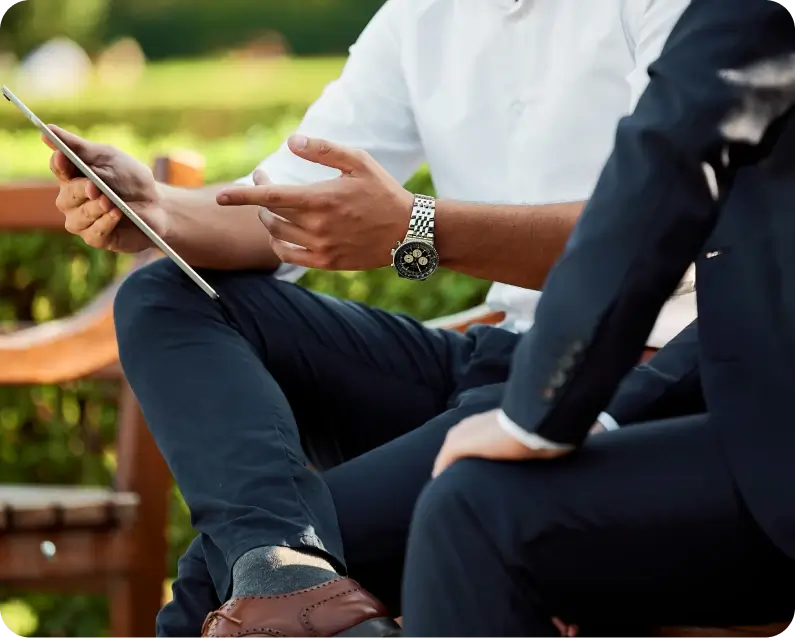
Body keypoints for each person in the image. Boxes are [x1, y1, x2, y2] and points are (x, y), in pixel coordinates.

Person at [46, 0, 695, 635]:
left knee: (214, 583)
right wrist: (155, 209)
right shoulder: (419, 16)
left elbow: (657, 230)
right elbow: (282, 207)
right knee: (166, 295)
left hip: (629, 375)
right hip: (494, 356)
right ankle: (286, 572)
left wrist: (419, 227)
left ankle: (282, 575)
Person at [400, 0, 795, 635]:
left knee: (471, 509)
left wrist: (537, 414)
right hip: (519, 361)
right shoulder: (416, 18)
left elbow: (668, 164)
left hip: (613, 380)